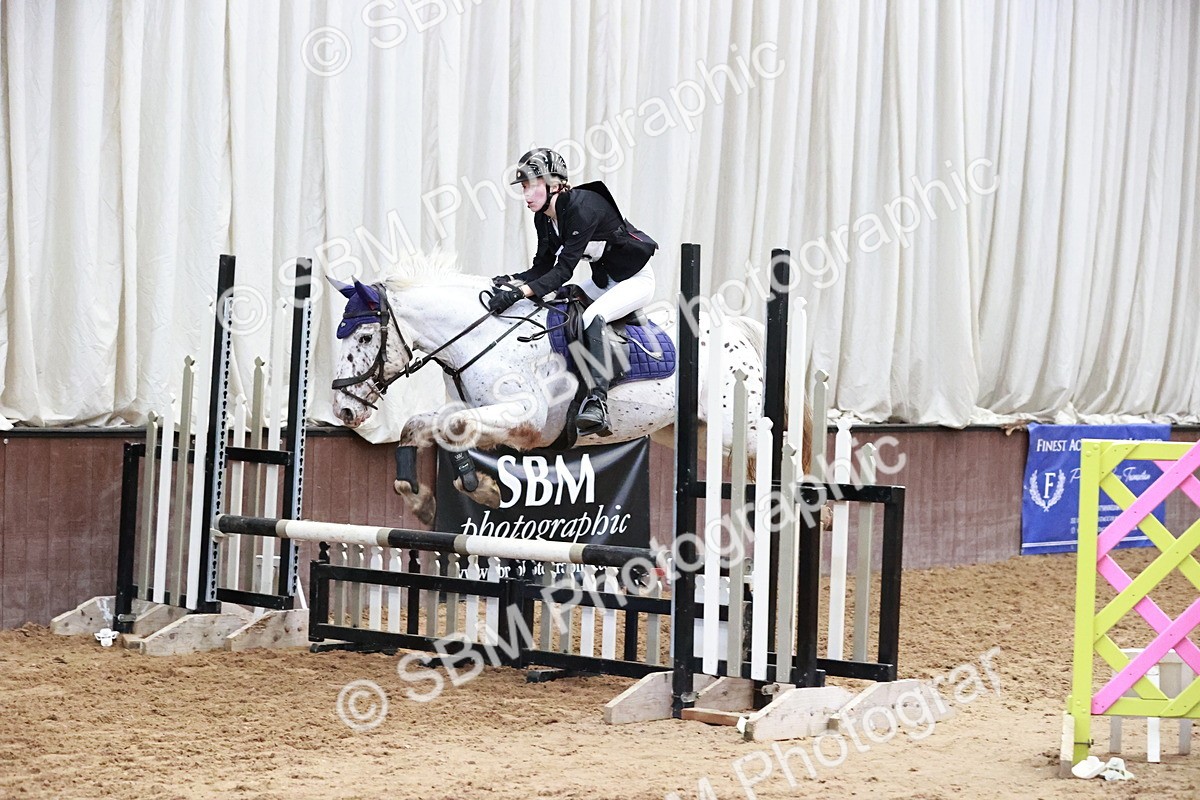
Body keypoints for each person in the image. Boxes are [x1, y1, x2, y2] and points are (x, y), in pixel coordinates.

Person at [488, 147, 658, 437]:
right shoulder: (543, 217)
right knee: (560, 301)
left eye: (532, 185)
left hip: (636, 280)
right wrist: (512, 283)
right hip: (605, 281)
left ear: (554, 183)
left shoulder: (583, 207)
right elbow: (542, 267)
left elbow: (563, 270)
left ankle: (597, 402)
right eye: (524, 187)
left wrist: (520, 293)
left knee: (593, 315)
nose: (526, 194)